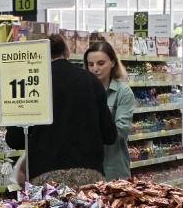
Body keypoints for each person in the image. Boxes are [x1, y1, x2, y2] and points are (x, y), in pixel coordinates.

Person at [7, 34, 117, 183]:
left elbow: (15, 139)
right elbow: (110, 135)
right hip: (89, 174)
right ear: (66, 51)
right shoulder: (91, 81)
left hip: (45, 174)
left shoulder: (31, 83)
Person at [84, 38, 135, 179]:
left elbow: (121, 130)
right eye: (90, 64)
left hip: (114, 168)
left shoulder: (123, 92)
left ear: (112, 62)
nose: (95, 69)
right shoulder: (82, 91)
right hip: (87, 167)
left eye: (101, 63)